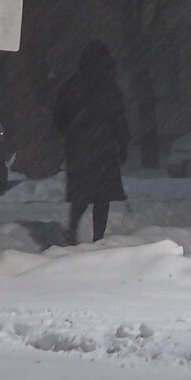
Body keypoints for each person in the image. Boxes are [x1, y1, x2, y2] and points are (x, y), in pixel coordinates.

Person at [51, 40, 130, 243]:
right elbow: (119, 119)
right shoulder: (109, 88)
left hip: (79, 147)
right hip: (104, 148)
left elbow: (59, 115)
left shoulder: (72, 85)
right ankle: (98, 237)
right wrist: (123, 144)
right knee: (102, 198)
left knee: (81, 195)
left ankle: (73, 230)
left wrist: (68, 135)